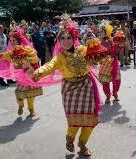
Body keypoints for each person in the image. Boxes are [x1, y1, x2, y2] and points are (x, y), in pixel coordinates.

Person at [33, 14, 102, 156]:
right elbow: (49, 66)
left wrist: (95, 48)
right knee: (74, 121)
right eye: (62, 38)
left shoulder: (82, 50)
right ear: (58, 41)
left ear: (74, 38)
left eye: (69, 38)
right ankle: (69, 139)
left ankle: (82, 144)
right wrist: (38, 72)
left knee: (90, 120)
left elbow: (95, 58)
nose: (66, 41)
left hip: (86, 87)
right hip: (69, 90)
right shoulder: (59, 57)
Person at [0, 29, 43, 117]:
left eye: (14, 40)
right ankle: (21, 105)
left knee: (31, 94)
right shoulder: (11, 52)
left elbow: (35, 58)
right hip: (21, 77)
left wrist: (26, 62)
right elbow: (0, 56)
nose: (11, 42)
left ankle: (31, 109)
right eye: (10, 40)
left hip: (30, 75)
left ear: (19, 41)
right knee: (19, 93)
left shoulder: (27, 49)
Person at [98, 22, 122, 104]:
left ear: (106, 32)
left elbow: (118, 50)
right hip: (104, 64)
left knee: (116, 80)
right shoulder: (98, 41)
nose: (99, 33)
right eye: (99, 31)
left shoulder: (112, 40)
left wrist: (119, 45)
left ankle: (115, 93)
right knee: (105, 82)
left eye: (101, 31)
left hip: (113, 63)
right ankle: (108, 96)